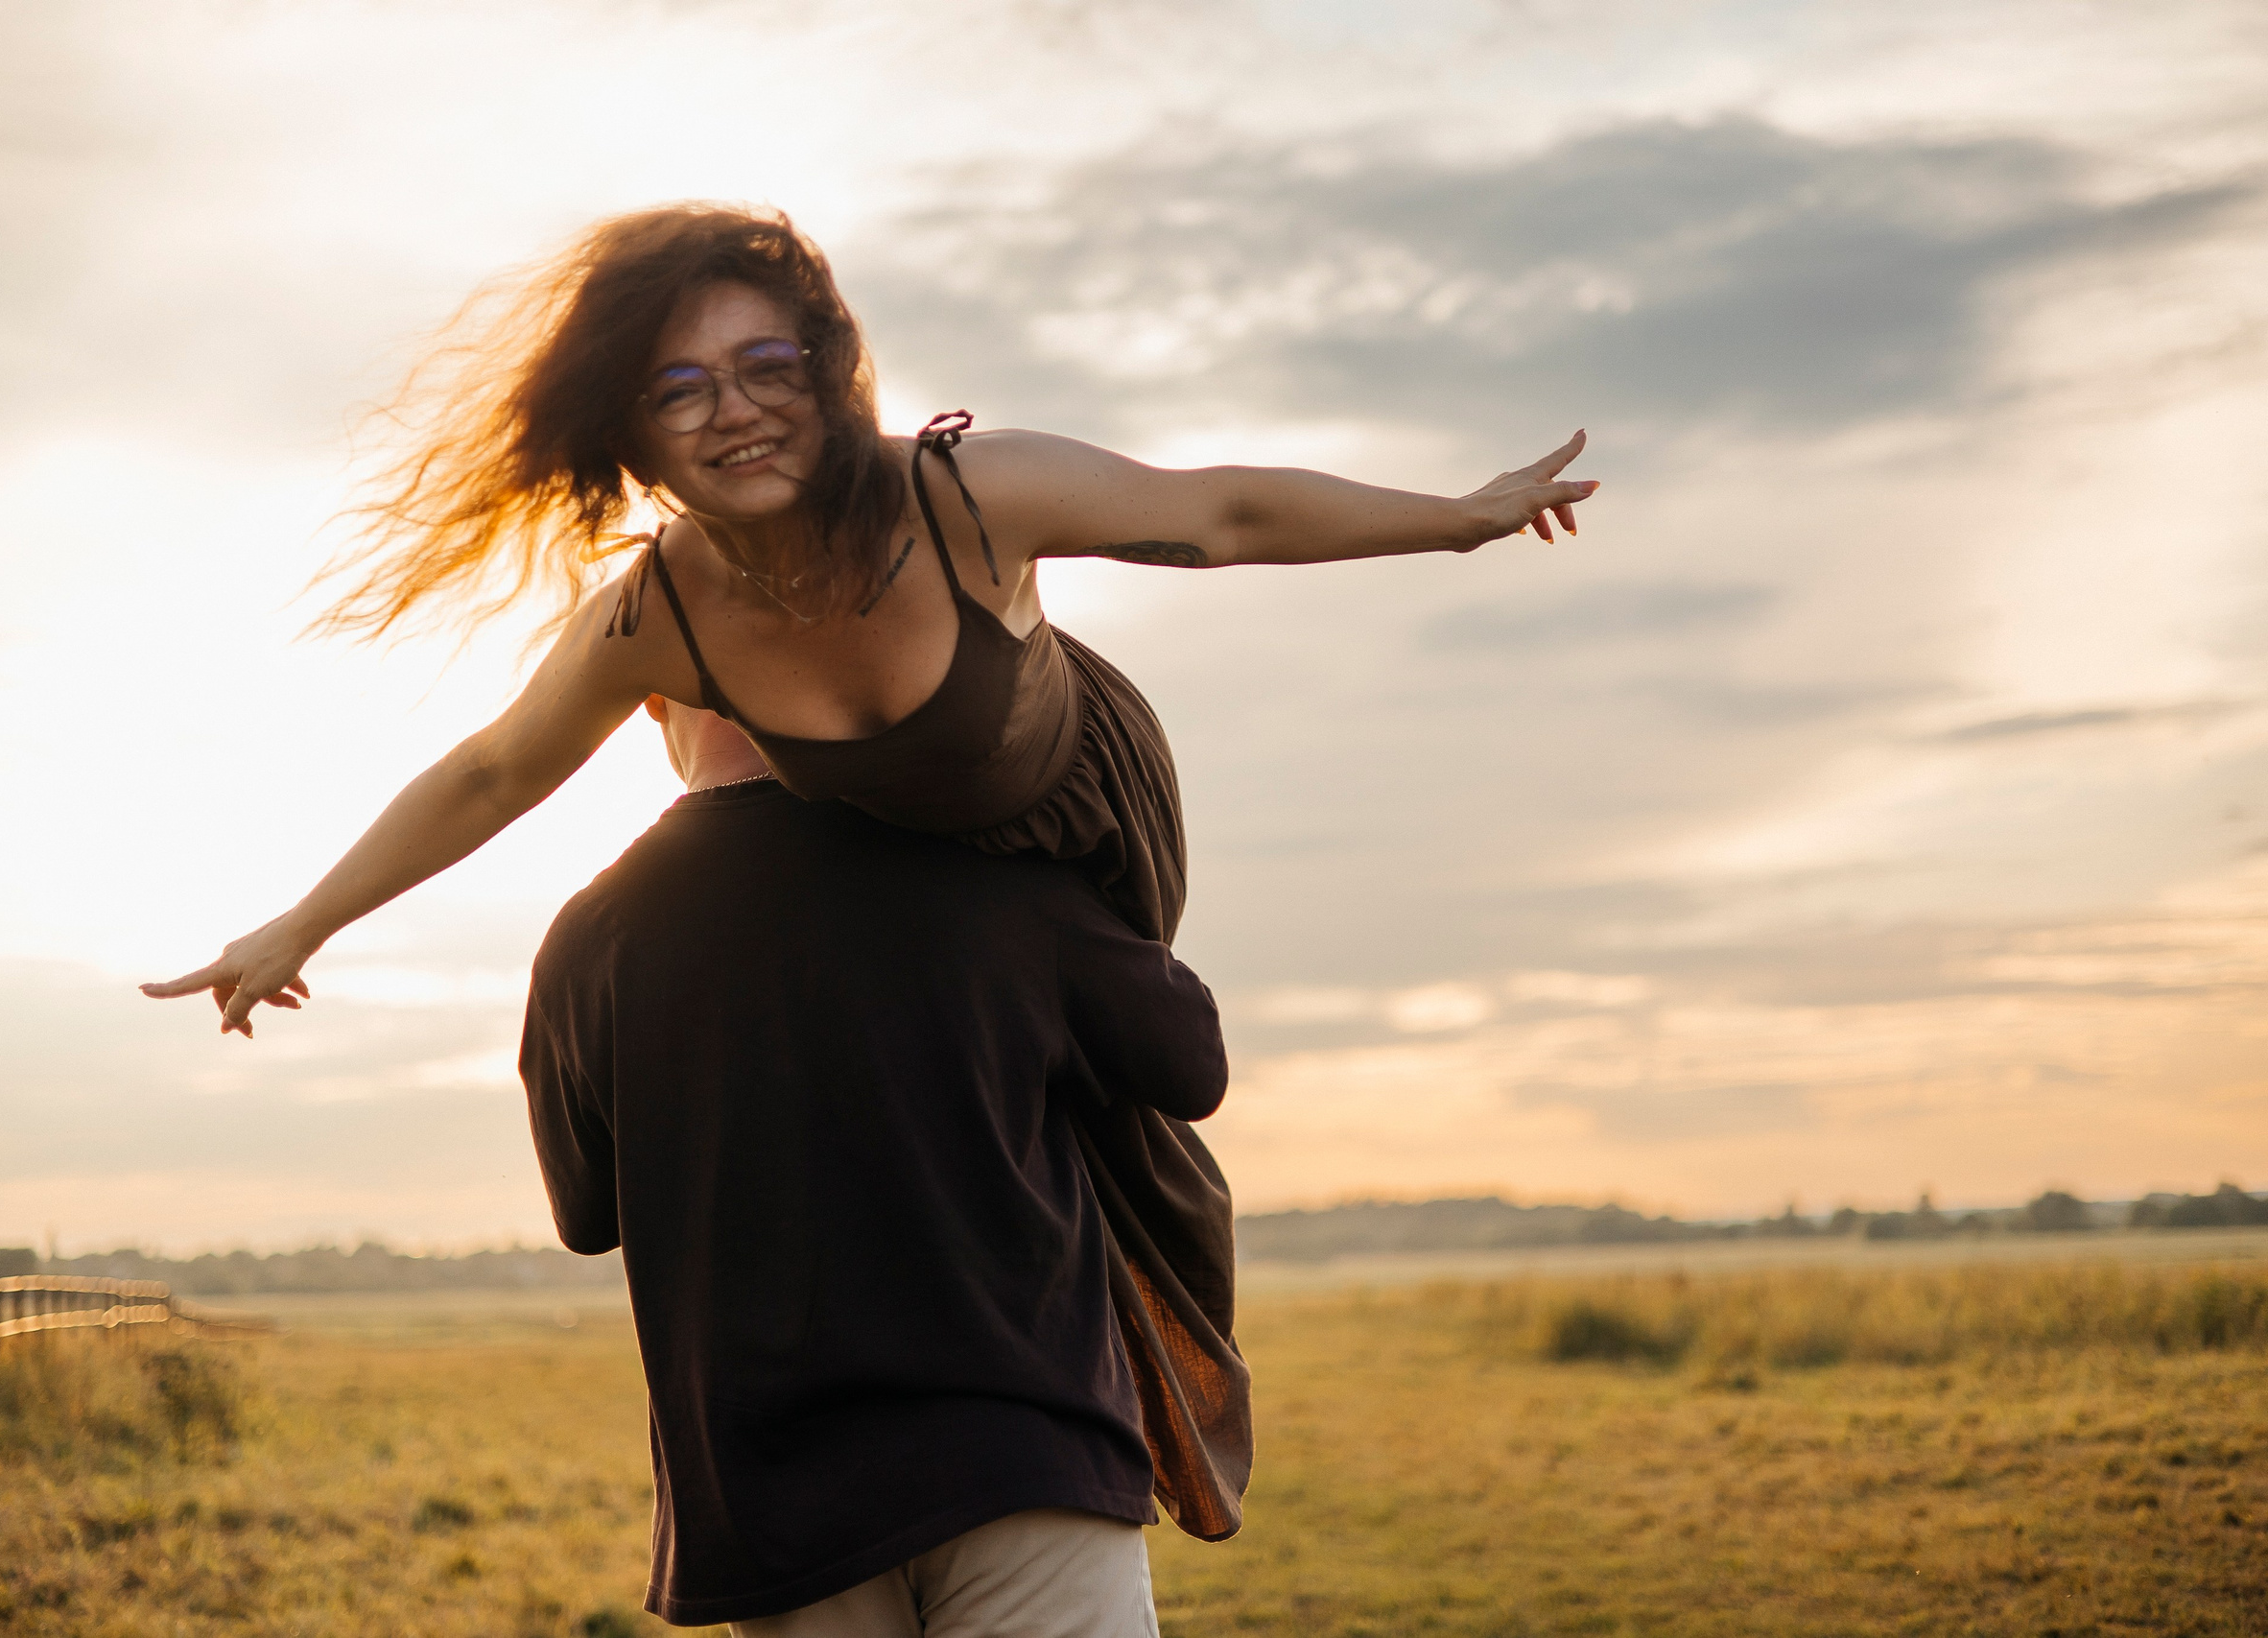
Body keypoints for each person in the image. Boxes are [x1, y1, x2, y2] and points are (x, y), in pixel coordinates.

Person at [141, 202, 1597, 1610]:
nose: (736, 411)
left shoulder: (967, 496)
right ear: (630, 429)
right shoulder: (665, 609)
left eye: (770, 366)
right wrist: (300, 923)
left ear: (833, 371)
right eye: (680, 386)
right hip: (894, 845)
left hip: (1068, 813)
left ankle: (1095, 1394)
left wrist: (1460, 520)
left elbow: (1214, 511)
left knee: (1144, 1128)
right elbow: (495, 768)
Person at [525, 699, 1225, 1630]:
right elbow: (1187, 1064)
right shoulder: (990, 858)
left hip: (772, 1494)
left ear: (650, 691)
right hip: (1021, 1447)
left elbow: (584, 1214)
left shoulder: (590, 932)